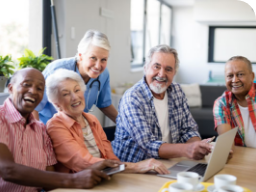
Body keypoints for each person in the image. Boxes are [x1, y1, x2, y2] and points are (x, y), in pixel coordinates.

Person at [0, 68, 121, 191]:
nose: (33, 91)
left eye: (39, 88)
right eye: (26, 85)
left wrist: (88, 173)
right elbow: (7, 170)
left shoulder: (40, 130)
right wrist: (75, 179)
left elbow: (49, 183)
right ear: (10, 88)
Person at [45, 68, 169, 175]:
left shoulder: (92, 120)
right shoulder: (55, 126)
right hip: (78, 185)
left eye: (77, 90)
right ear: (57, 104)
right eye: (66, 94)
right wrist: (135, 166)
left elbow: (111, 158)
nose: (75, 97)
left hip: (103, 178)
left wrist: (130, 168)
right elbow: (82, 162)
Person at [112, 44, 212, 163]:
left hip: (168, 162)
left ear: (174, 73)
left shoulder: (177, 91)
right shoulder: (133, 97)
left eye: (168, 69)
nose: (161, 74)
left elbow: (188, 130)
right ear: (146, 68)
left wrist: (199, 147)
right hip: (134, 168)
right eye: (156, 67)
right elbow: (148, 144)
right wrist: (187, 149)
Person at [34, 30, 117, 124]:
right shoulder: (55, 70)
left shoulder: (103, 74)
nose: (98, 66)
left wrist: (126, 124)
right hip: (48, 127)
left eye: (103, 60)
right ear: (81, 56)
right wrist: (38, 135)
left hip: (76, 127)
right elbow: (34, 107)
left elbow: (104, 104)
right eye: (93, 58)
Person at [213, 56, 256, 150]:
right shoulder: (221, 103)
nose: (234, 80)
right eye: (230, 76)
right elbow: (227, 145)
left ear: (252, 76)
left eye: (240, 74)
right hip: (241, 157)